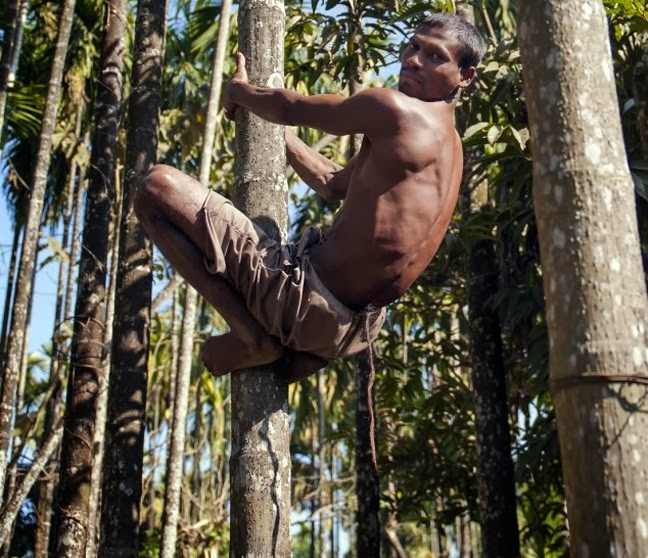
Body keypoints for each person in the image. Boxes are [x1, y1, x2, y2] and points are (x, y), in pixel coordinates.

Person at [135, 13, 485, 382]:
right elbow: (331, 183)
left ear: (465, 76)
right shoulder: (448, 148)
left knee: (154, 187)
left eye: (435, 56)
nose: (413, 59)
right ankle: (297, 347)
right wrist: (278, 138)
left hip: (299, 298)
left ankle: (253, 337)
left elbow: (290, 108)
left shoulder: (395, 110)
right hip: (349, 332)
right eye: (413, 46)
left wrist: (239, 91)